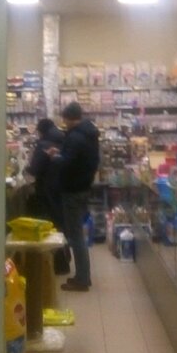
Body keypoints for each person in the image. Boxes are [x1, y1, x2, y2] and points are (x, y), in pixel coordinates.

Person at [48, 101, 100, 292]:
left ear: (69, 118)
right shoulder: (89, 133)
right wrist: (61, 153)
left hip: (72, 189)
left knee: (75, 236)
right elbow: (79, 159)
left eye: (65, 119)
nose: (64, 122)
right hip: (83, 187)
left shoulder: (76, 136)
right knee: (77, 233)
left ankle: (82, 279)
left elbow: (67, 163)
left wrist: (55, 157)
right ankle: (82, 276)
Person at [24, 118, 64, 227]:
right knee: (59, 215)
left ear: (41, 131)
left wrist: (27, 169)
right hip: (61, 184)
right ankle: (61, 235)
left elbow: (35, 168)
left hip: (46, 186)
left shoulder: (43, 145)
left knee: (48, 217)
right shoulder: (63, 140)